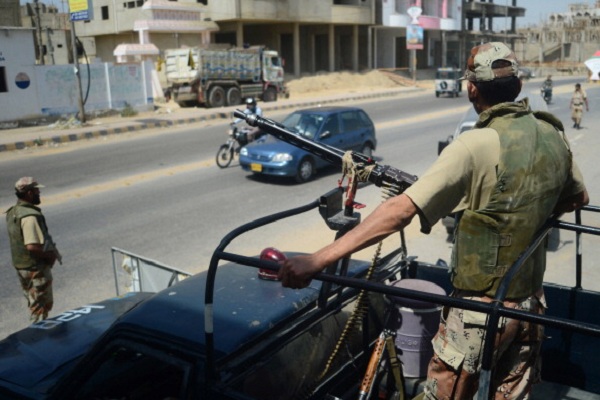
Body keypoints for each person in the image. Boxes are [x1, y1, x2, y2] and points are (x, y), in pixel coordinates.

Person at [277, 42, 589, 399]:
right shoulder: (553, 134)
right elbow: (579, 198)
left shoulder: (473, 145)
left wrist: (317, 260)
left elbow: (399, 212)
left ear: (471, 87)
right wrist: (521, 214)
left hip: (478, 313)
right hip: (531, 304)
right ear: (517, 86)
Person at [6, 177, 61, 323]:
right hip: (35, 269)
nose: (39, 193)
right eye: (37, 190)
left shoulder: (14, 211)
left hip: (23, 266)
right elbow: (32, 246)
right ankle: (37, 338)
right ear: (29, 193)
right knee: (41, 308)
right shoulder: (30, 216)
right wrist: (50, 256)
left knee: (34, 303)